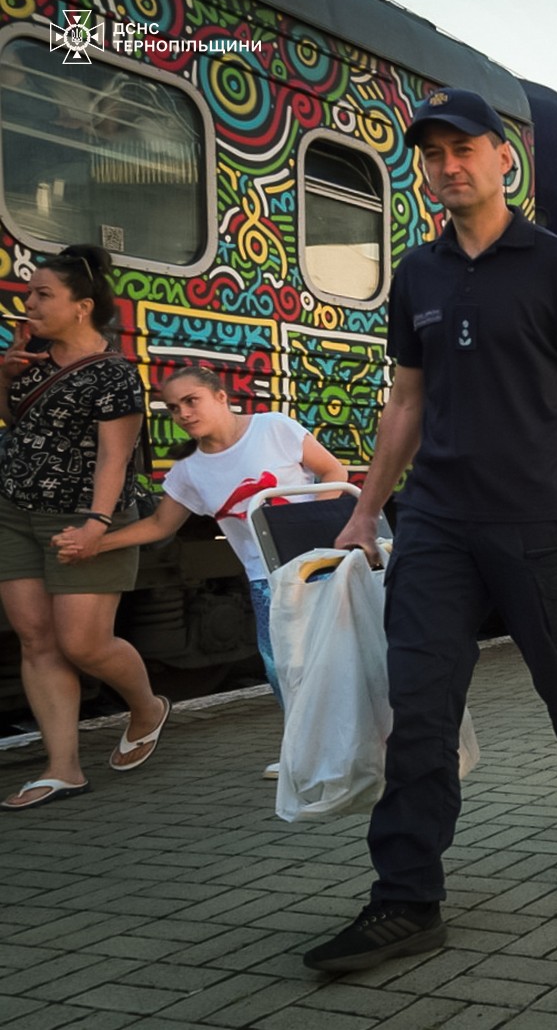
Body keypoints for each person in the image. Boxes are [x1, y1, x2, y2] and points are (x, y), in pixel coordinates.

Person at [306, 88, 557, 973]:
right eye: (433, 154)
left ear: (505, 160)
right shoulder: (418, 274)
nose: (448, 165)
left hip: (539, 521)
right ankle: (406, 898)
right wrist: (365, 508)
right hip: (438, 524)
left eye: (465, 149)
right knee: (419, 709)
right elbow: (407, 404)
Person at [53, 365, 348, 777]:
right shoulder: (189, 471)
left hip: (320, 563)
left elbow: (335, 471)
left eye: (192, 401)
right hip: (267, 578)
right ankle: (308, 751)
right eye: (174, 408)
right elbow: (159, 526)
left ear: (221, 397)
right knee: (282, 667)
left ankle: (362, 742)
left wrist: (313, 522)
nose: (183, 414)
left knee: (340, 657)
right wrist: (95, 543)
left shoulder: (273, 427)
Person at [0, 245, 170, 810]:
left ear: (82, 306)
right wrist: (4, 377)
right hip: (14, 511)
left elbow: (113, 459)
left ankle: (146, 706)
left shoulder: (115, 376)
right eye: (30, 293)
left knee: (83, 642)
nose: (29, 304)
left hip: (81, 516)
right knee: (35, 638)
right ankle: (62, 769)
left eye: (43, 294)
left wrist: (97, 524)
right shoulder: (33, 358)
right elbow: (17, 422)